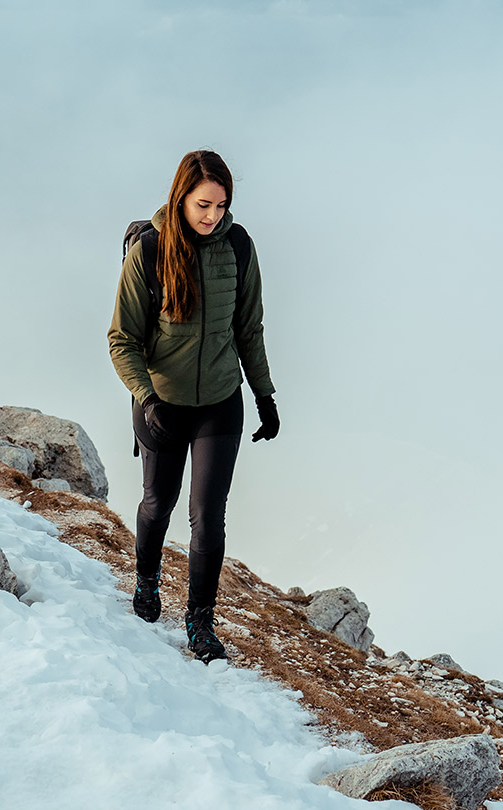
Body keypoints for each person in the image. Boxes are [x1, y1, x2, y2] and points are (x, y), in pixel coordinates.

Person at [108, 149, 279, 662]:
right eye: (204, 204)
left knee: (208, 517)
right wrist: (146, 396)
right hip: (161, 400)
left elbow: (248, 328)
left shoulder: (240, 248)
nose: (213, 216)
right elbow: (122, 339)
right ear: (181, 197)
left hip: (220, 401)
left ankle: (200, 625)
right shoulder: (150, 251)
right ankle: (146, 582)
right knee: (158, 503)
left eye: (222, 205)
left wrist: (265, 393)